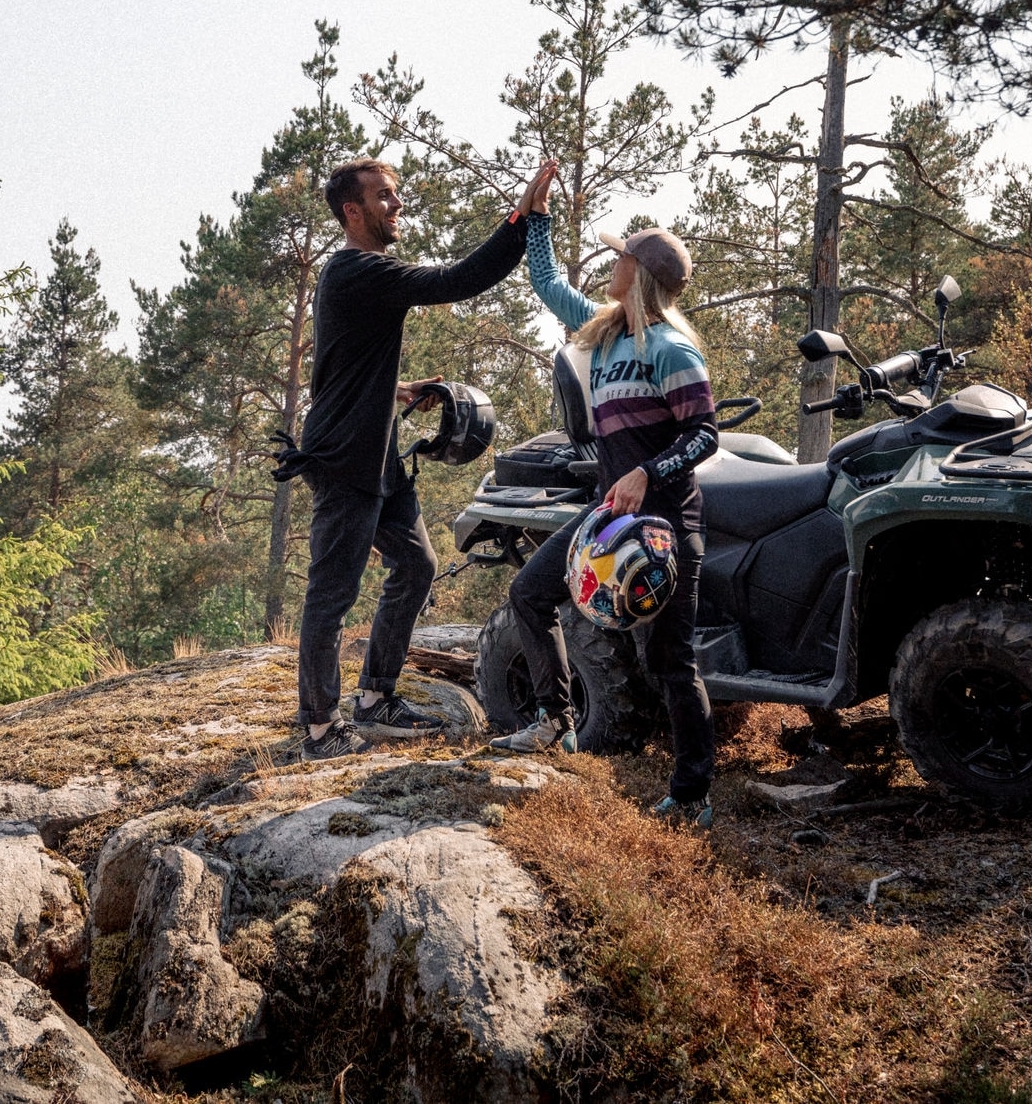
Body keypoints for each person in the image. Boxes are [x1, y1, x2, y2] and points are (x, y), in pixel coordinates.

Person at [276, 157, 559, 761]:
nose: (396, 205)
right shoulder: (358, 269)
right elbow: (457, 280)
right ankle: (320, 728)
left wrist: (395, 390)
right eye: (383, 197)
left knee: (416, 565)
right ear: (352, 211)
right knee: (331, 594)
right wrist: (520, 218)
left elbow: (344, 361)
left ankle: (375, 697)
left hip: (377, 452)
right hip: (344, 457)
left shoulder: (360, 276)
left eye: (395, 195)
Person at [490, 183, 721, 827]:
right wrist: (532, 216)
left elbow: (705, 434)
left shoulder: (671, 349)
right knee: (531, 595)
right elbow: (542, 280)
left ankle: (693, 794)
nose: (610, 265)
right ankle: (555, 722)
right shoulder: (606, 332)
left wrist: (648, 472)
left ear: (639, 275)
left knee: (669, 663)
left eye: (621, 258)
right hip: (607, 520)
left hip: (665, 529)